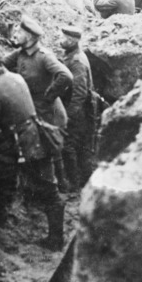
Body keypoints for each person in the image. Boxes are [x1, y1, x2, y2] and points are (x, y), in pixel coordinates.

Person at [0, 49, 66, 251]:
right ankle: (56, 236)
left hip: (24, 146)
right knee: (49, 186)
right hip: (37, 136)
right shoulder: (16, 77)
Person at [58, 26, 96, 191]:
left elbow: (79, 93)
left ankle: (74, 185)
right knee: (82, 147)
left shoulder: (77, 62)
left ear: (72, 41)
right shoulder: (72, 56)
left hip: (79, 110)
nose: (60, 40)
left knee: (69, 145)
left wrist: (67, 116)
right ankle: (86, 182)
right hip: (80, 109)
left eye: (64, 38)